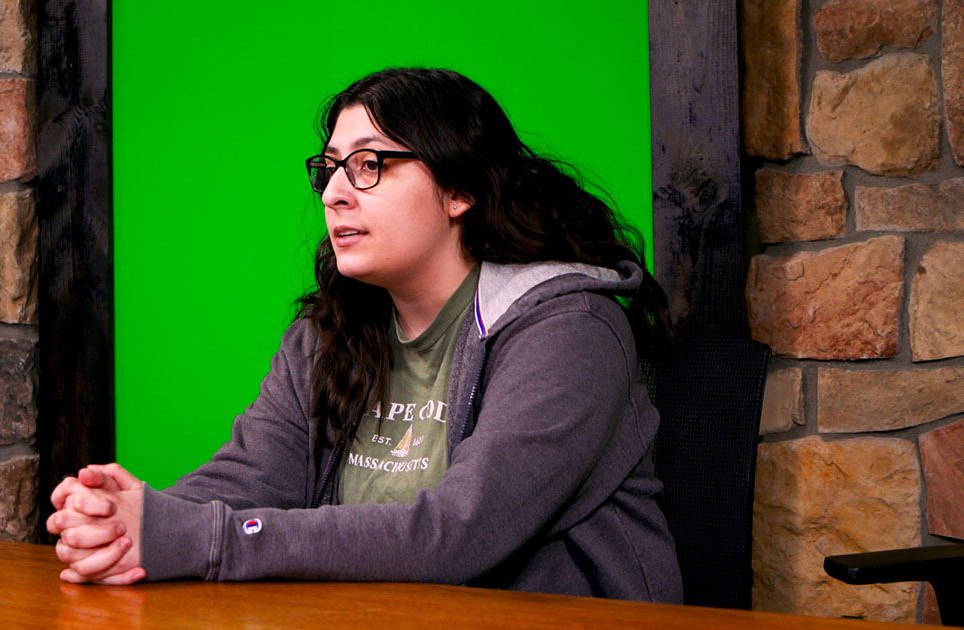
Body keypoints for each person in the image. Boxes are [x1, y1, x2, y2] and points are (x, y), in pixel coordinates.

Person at [46, 67, 682, 602]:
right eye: (329, 170)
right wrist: (128, 524)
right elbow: (254, 476)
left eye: (370, 164)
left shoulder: (571, 330)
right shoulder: (332, 330)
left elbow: (458, 535)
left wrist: (199, 540)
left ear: (459, 187)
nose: (336, 195)